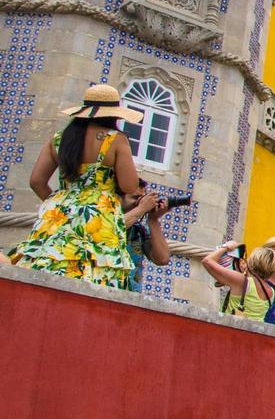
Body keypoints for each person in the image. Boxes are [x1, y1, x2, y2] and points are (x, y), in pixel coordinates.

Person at [9, 83, 142, 288]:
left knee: (48, 264)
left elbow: (36, 181)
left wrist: (63, 204)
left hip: (59, 212)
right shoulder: (115, 140)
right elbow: (130, 186)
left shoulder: (60, 139)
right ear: (113, 114)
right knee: (94, 269)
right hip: (99, 213)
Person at [203, 242, 275, 322]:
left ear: (253, 261)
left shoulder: (242, 281)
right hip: (252, 332)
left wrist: (226, 247)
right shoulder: (271, 292)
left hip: (231, 329)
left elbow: (207, 261)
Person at [122, 180, 171, 294]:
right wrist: (141, 208)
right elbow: (112, 230)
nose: (140, 202)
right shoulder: (102, 218)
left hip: (128, 297)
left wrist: (153, 220)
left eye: (143, 198)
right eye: (135, 198)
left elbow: (163, 259)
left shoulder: (138, 230)